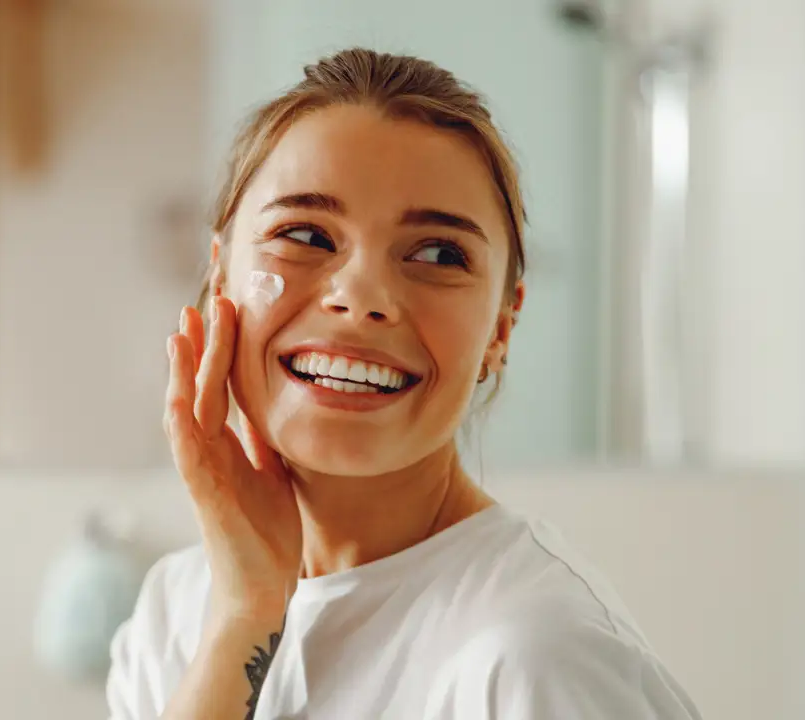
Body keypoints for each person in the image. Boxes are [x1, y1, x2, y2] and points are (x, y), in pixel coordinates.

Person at [107, 48, 702, 720]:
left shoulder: (534, 660)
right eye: (304, 234)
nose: (362, 297)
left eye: (438, 254)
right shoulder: (175, 612)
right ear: (220, 278)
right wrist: (245, 616)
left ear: (501, 330)